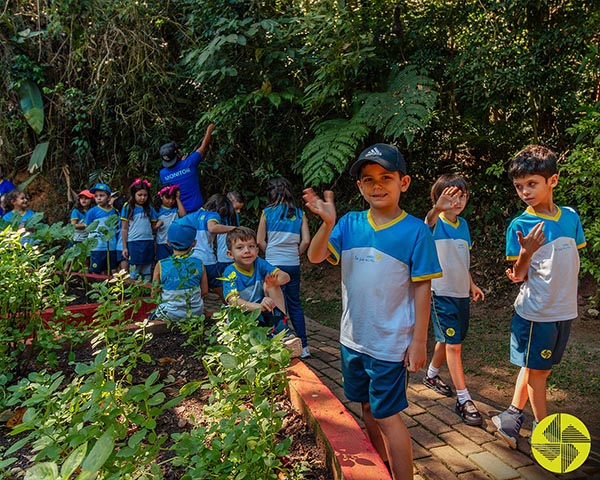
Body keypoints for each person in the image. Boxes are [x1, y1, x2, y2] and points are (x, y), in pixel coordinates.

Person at [302, 143, 442, 480]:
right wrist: (327, 223)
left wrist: (419, 341)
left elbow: (423, 287)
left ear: (403, 183)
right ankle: (382, 467)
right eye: (368, 180)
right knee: (366, 407)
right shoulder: (348, 224)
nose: (377, 186)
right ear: (360, 187)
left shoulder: (416, 231)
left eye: (386, 177)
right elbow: (316, 257)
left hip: (389, 344)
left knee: (388, 416)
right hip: (353, 339)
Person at [492, 145, 586, 449]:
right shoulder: (520, 226)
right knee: (539, 372)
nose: (524, 192)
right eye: (519, 186)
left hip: (563, 311)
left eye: (531, 184)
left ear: (553, 181)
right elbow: (518, 275)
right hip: (536, 313)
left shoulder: (570, 218)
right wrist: (526, 253)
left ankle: (510, 418)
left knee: (534, 368)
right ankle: (545, 434)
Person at [422, 174, 485, 426]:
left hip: (461, 293)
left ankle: (431, 375)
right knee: (454, 345)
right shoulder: (436, 223)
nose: (457, 201)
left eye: (462, 196)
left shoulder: (465, 226)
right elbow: (428, 221)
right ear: (438, 199)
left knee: (447, 339)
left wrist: (472, 285)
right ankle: (463, 399)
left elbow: (462, 263)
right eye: (450, 196)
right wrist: (438, 208)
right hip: (440, 293)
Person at [222, 226, 302, 355]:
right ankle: (268, 340)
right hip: (243, 317)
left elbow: (285, 276)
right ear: (230, 254)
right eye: (240, 247)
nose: (247, 251)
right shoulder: (230, 272)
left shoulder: (259, 263)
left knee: (273, 284)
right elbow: (233, 301)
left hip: (263, 311)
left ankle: (282, 331)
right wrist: (258, 307)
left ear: (257, 250)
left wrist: (275, 282)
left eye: (251, 246)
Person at [257, 177, 311, 359]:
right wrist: (297, 253)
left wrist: (270, 253)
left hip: (274, 265)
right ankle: (304, 346)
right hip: (293, 264)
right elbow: (306, 241)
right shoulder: (300, 214)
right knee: (295, 304)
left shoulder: (266, 213)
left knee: (276, 304)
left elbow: (259, 241)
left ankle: (279, 342)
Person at [181, 194, 237, 301]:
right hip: (207, 260)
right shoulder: (213, 215)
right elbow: (212, 228)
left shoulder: (194, 214)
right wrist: (235, 228)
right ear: (222, 209)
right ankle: (233, 309)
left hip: (191, 259)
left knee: (195, 288)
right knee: (221, 289)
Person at [152, 220, 208, 321]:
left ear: (168, 242)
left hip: (168, 314)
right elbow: (204, 291)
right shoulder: (199, 263)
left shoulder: (161, 265)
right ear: (194, 243)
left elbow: (154, 293)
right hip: (195, 312)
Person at [159, 123, 215, 213]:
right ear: (177, 154)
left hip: (179, 213)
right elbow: (203, 147)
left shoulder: (163, 174)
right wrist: (209, 130)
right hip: (197, 210)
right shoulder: (189, 163)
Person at [121, 178, 158, 281]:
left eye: (145, 195)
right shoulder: (127, 207)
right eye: (140, 195)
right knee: (134, 268)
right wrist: (124, 247)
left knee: (147, 267)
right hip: (133, 242)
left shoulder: (150, 208)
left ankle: (146, 289)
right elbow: (124, 229)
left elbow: (154, 226)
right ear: (134, 194)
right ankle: (134, 290)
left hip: (148, 242)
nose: (142, 198)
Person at [84, 183, 119, 275]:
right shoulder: (92, 211)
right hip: (97, 246)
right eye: (96, 196)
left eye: (102, 195)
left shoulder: (115, 211)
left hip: (111, 245)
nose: (99, 198)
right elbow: (87, 226)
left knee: (112, 269)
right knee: (96, 269)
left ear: (108, 197)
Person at [155, 184, 186, 262]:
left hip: (175, 242)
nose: (171, 201)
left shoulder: (175, 209)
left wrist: (178, 199)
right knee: (163, 263)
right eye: (168, 198)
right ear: (161, 196)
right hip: (162, 242)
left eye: (173, 199)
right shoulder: (157, 211)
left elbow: (183, 215)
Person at [215, 193, 240, 277]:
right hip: (222, 257)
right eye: (236, 208)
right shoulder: (217, 216)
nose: (238, 211)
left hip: (234, 257)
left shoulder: (235, 217)